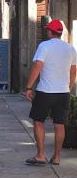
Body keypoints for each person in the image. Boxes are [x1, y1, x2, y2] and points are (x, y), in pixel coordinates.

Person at [25, 20, 76, 166]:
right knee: (59, 124)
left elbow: (37, 67)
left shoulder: (44, 46)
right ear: (60, 33)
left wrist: (29, 87)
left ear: (50, 32)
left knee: (38, 121)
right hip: (63, 92)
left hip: (45, 91)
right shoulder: (70, 48)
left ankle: (40, 155)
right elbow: (73, 70)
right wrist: (69, 86)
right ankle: (57, 157)